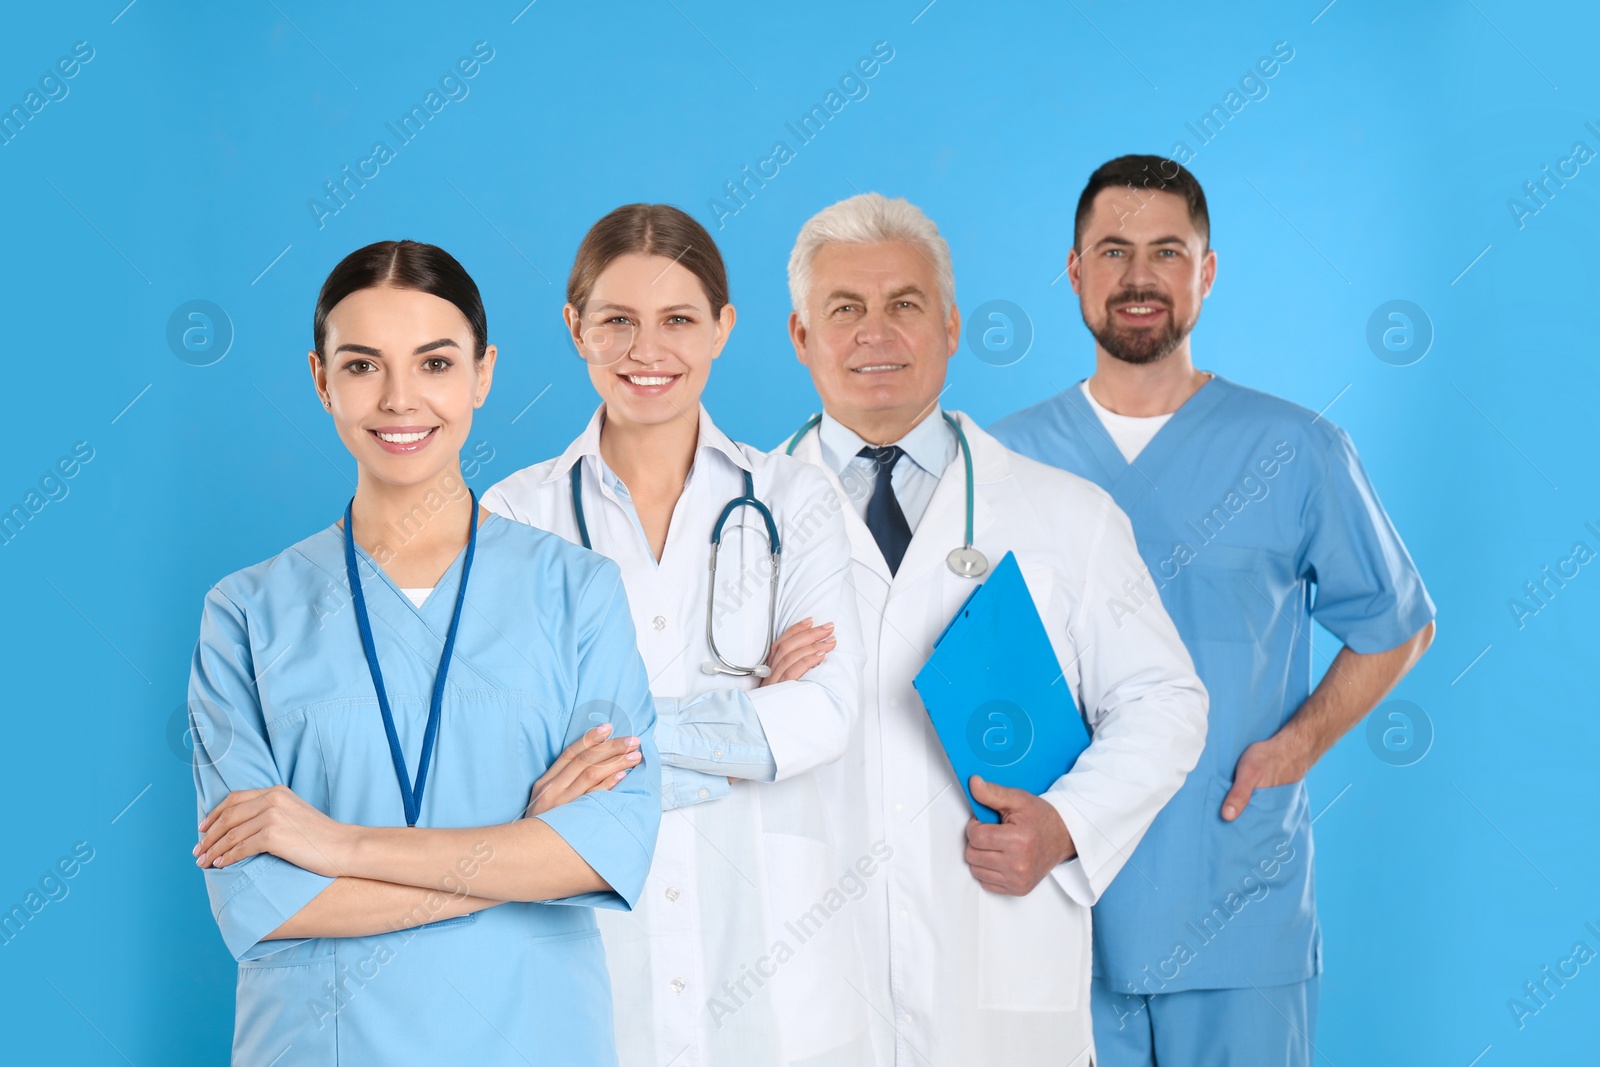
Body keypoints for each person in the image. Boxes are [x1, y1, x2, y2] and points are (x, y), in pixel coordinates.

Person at [991, 155, 1437, 1066]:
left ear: (1207, 271)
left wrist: (1299, 745)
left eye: (1167, 250)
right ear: (1074, 272)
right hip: (1056, 905)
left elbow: (1397, 621)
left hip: (1235, 900)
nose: (1139, 277)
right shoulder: (1006, 460)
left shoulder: (1295, 448)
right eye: (1113, 251)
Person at [188, 239, 661, 1066]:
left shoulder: (578, 591)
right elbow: (260, 895)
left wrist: (338, 846)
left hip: (533, 1036)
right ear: (320, 378)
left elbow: (605, 845)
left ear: (482, 373)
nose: (401, 400)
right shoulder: (245, 611)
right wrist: (518, 850)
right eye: (364, 365)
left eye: (435, 362)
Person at [777, 192, 1209, 1066]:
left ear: (950, 326)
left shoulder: (1064, 513)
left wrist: (1064, 822)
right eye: (844, 309)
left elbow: (1166, 703)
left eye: (904, 304)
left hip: (1002, 981)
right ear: (800, 336)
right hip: (803, 982)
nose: (875, 332)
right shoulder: (739, 525)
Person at [483, 204, 870, 1066]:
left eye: (678, 321)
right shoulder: (514, 516)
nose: (645, 351)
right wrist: (745, 710)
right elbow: (506, 745)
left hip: (767, 955)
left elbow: (826, 714)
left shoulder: (795, 500)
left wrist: (605, 746)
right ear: (575, 327)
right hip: (588, 956)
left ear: (724, 328)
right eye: (616, 321)